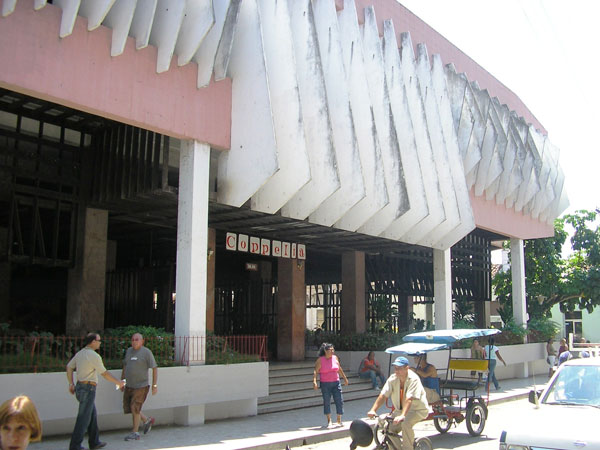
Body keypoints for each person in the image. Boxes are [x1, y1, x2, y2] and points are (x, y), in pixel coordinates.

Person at [66, 332, 125, 450]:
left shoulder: (80, 354)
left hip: (80, 387)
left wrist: (71, 384)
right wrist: (118, 382)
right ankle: (75, 445)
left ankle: (94, 442)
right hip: (88, 389)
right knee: (83, 418)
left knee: (91, 415)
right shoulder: (93, 356)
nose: (100, 342)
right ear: (93, 342)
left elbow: (69, 366)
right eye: (99, 340)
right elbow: (104, 373)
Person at [367, 356, 429, 450]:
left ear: (407, 368)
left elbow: (409, 399)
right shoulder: (393, 379)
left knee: (406, 424)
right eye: (395, 368)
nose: (397, 371)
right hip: (399, 410)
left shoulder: (414, 379)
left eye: (399, 368)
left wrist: (403, 415)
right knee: (388, 427)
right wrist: (373, 410)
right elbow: (383, 395)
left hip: (417, 410)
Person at [120, 333, 158, 441]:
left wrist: (154, 385)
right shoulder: (128, 351)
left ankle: (135, 433)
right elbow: (125, 366)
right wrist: (122, 381)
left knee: (135, 408)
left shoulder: (146, 352)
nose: (134, 341)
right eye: (132, 339)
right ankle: (147, 420)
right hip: (129, 386)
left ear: (142, 341)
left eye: (137, 339)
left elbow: (155, 368)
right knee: (130, 408)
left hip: (141, 386)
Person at [312, 343, 349, 428]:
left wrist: (345, 378)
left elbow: (339, 369)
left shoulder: (335, 358)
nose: (332, 351)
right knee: (327, 401)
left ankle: (339, 420)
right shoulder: (320, 360)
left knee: (339, 400)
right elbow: (315, 371)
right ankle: (329, 420)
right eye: (330, 350)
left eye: (333, 350)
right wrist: (314, 381)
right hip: (325, 384)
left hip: (336, 382)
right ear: (325, 351)